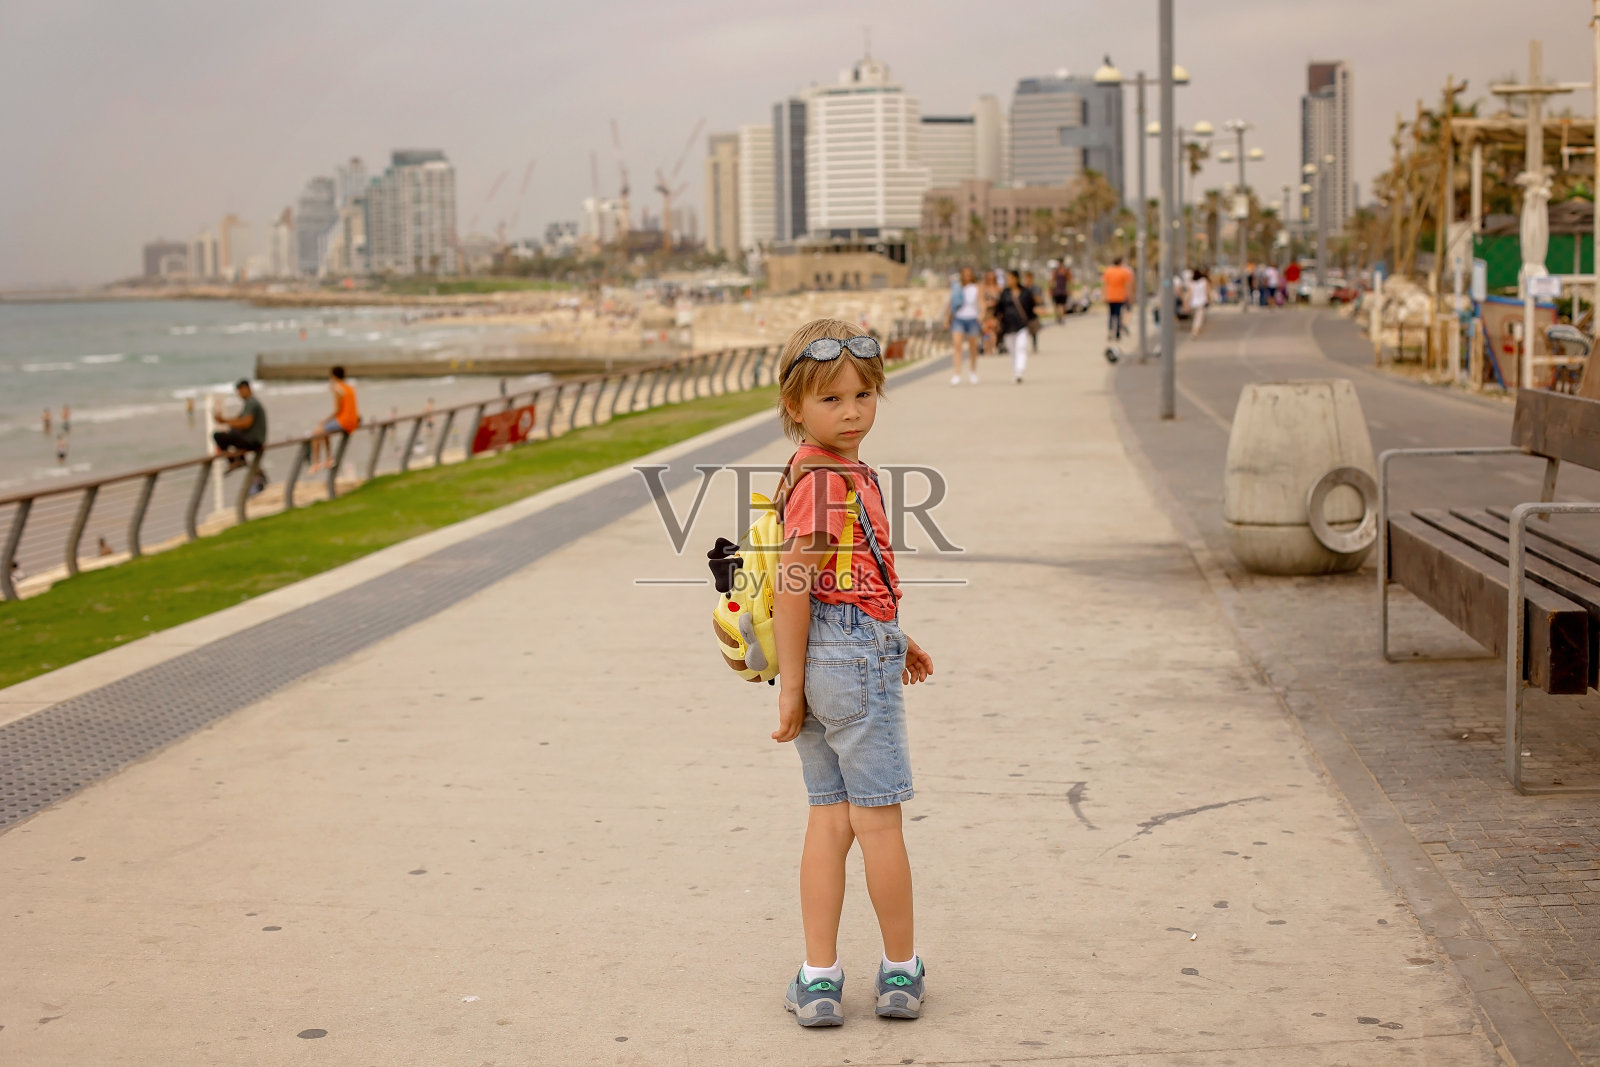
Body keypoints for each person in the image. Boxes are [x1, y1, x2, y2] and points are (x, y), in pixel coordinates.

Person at [771, 317, 934, 1027]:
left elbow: (845, 579)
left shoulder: (814, 469)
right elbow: (794, 582)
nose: (852, 412)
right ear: (795, 405)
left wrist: (896, 638)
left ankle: (819, 978)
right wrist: (790, 688)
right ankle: (899, 970)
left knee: (829, 816)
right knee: (878, 822)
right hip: (844, 662)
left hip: (834, 652)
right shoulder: (829, 481)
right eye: (832, 399)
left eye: (864, 395)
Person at [309, 366, 359, 473]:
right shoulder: (349, 388)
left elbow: (337, 411)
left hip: (345, 422)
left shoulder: (338, 389)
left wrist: (324, 421)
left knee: (316, 432)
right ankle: (328, 459)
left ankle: (316, 462)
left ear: (333, 376)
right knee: (324, 430)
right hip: (353, 421)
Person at [212, 379, 268, 473]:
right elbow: (238, 419)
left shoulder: (252, 403)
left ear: (246, 388)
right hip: (255, 440)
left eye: (240, 391)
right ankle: (239, 459)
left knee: (218, 436)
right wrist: (224, 421)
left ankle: (233, 461)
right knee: (231, 431)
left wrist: (225, 422)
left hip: (253, 441)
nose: (239, 394)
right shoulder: (250, 403)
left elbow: (246, 423)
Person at [996, 269, 1036, 383]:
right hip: (1007, 325)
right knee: (1012, 349)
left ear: (1016, 279)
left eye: (1010, 278)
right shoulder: (1005, 293)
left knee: (1021, 347)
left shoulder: (1025, 292)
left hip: (1022, 324)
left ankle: (1020, 371)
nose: (1008, 281)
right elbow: (999, 308)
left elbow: (1031, 308)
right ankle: (1016, 371)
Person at [947, 267, 981, 385]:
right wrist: (948, 318)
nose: (967, 276)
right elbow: (951, 303)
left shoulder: (976, 287)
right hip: (958, 319)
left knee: (973, 347)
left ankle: (973, 372)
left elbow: (981, 302)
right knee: (957, 346)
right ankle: (957, 373)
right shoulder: (957, 287)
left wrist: (982, 315)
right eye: (965, 274)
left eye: (969, 274)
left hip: (972, 319)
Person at [1102, 256, 1134, 342]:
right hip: (1120, 297)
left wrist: (1104, 295)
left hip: (1110, 296)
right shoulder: (1124, 272)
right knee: (1119, 315)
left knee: (1111, 315)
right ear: (1120, 263)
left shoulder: (1108, 271)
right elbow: (1128, 285)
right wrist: (1130, 296)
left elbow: (1105, 284)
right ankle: (1117, 333)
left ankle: (1110, 331)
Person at [978, 270, 1001, 355]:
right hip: (986, 312)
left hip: (996, 313)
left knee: (993, 330)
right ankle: (987, 346)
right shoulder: (982, 288)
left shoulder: (999, 288)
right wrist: (985, 306)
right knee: (986, 330)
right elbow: (980, 300)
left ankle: (993, 347)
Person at [1189, 267, 1210, 336]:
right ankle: (1195, 330)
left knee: (1196, 317)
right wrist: (1208, 298)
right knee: (1199, 317)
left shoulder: (1192, 283)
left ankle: (1196, 329)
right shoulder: (1203, 281)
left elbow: (1190, 293)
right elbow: (1206, 291)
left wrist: (1186, 302)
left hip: (1193, 302)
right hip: (1201, 301)